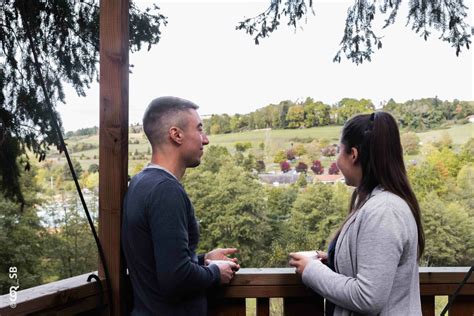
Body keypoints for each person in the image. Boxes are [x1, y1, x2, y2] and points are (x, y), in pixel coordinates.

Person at [289, 112, 424, 315]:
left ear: (353, 154)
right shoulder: (379, 204)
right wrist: (335, 260)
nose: (336, 160)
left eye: (339, 150)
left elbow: (368, 297)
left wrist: (311, 270)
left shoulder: (384, 212)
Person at [122, 96, 239, 316]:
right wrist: (215, 272)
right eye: (199, 129)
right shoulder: (166, 190)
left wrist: (203, 260)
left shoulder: (141, 183)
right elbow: (175, 279)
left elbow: (157, 263)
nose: (206, 140)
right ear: (176, 135)